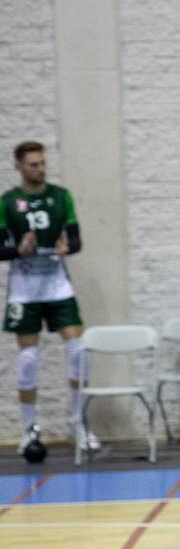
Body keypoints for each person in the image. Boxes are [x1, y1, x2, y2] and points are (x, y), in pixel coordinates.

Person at [2, 141, 98, 456]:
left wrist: (66, 248)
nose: (40, 169)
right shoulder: (7, 203)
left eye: (42, 163)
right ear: (18, 166)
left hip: (57, 285)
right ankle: (30, 429)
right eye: (33, 164)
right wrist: (19, 250)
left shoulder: (60, 197)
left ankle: (77, 422)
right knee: (28, 359)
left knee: (79, 350)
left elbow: (76, 239)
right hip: (25, 289)